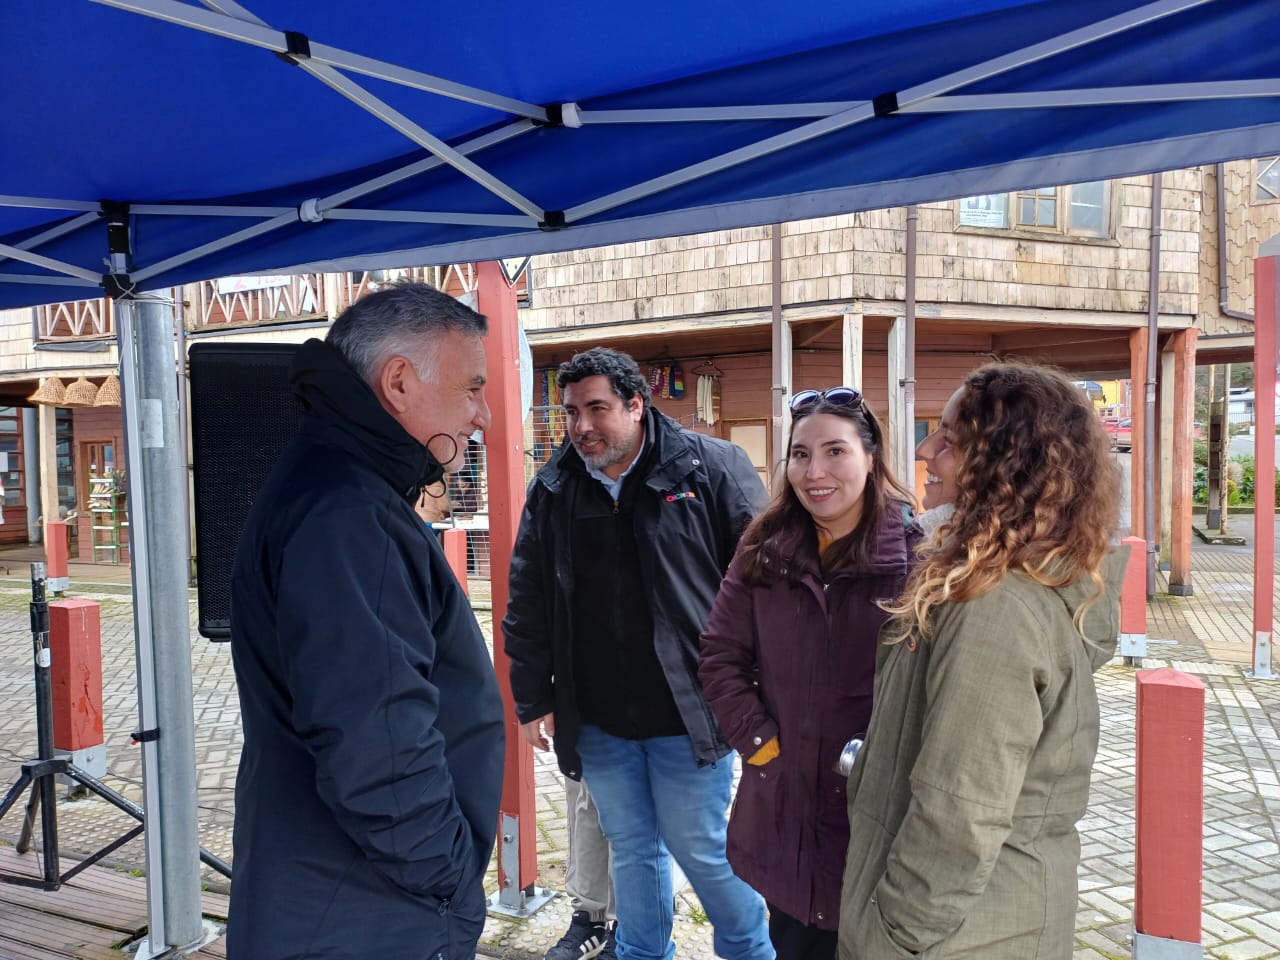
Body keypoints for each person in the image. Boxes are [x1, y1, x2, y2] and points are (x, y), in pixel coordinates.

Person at [228, 282, 505, 959]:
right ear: (399, 382)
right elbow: (377, 745)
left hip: (336, 896)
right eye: (472, 388)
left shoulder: (337, 486)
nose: (483, 415)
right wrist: (447, 882)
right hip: (365, 912)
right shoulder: (349, 513)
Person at [838, 362, 1126, 960]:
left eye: (949, 440)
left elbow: (958, 813)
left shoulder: (991, 606)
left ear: (1006, 467)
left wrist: (893, 936)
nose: (925, 451)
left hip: (953, 936)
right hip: (982, 920)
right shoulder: (1017, 583)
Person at [503, 347, 773, 960]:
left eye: (597, 409)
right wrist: (534, 699)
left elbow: (765, 585)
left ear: (636, 405)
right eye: (571, 412)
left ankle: (752, 952)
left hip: (690, 713)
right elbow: (528, 599)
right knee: (631, 849)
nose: (581, 427)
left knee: (702, 851)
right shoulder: (555, 487)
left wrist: (756, 691)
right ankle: (642, 954)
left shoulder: (710, 468)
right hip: (599, 719)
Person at [699, 387, 919, 960]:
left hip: (876, 817)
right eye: (800, 454)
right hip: (786, 807)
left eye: (835, 451)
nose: (814, 472)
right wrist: (761, 746)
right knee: (794, 940)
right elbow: (720, 654)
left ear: (871, 457)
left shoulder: (917, 560)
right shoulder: (764, 549)